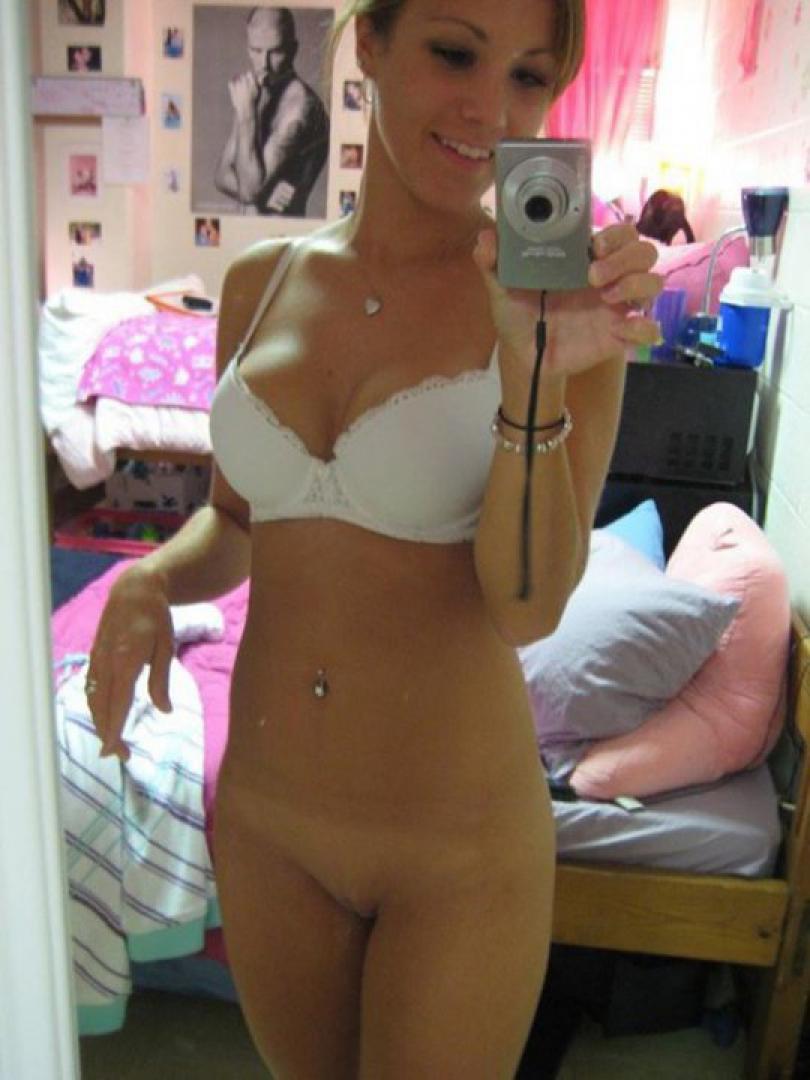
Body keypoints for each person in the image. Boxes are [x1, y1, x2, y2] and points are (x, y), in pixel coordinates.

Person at [85, 1, 662, 1076]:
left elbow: (527, 606)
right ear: (371, 44)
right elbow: (237, 521)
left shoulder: (562, 308)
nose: (490, 109)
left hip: (458, 851)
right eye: (454, 53)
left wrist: (534, 373)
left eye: (530, 77)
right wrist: (149, 581)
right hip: (267, 825)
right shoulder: (261, 283)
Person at [214, 6, 330, 217]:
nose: (264, 64)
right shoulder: (255, 94)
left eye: (275, 52)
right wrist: (266, 194)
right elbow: (221, 176)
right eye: (256, 50)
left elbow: (249, 192)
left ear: (293, 50)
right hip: (246, 231)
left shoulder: (300, 108)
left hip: (283, 233)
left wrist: (247, 115)